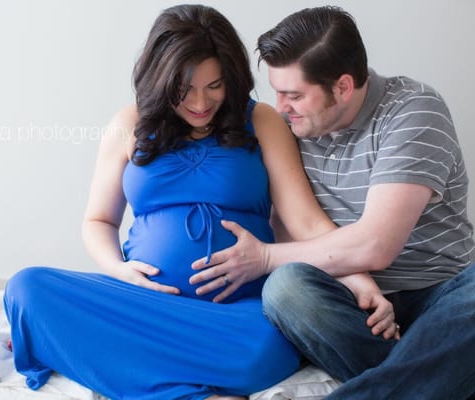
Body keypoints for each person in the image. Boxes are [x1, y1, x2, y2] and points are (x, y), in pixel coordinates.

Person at [3, 5, 397, 400]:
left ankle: (131, 369)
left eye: (215, 85)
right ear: (160, 78)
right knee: (27, 289)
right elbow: (98, 220)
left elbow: (306, 222)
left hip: (239, 314)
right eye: (185, 88)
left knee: (264, 349)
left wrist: (360, 280)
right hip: (145, 303)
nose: (200, 102)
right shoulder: (129, 123)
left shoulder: (261, 120)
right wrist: (118, 271)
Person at [188, 5, 475, 400]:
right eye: (276, 91)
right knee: (285, 288)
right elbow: (290, 227)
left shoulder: (413, 111)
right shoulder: (290, 128)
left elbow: (376, 245)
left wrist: (266, 257)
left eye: (294, 95)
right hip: (350, 308)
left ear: (342, 87)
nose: (281, 106)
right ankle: (437, 376)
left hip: (437, 295)